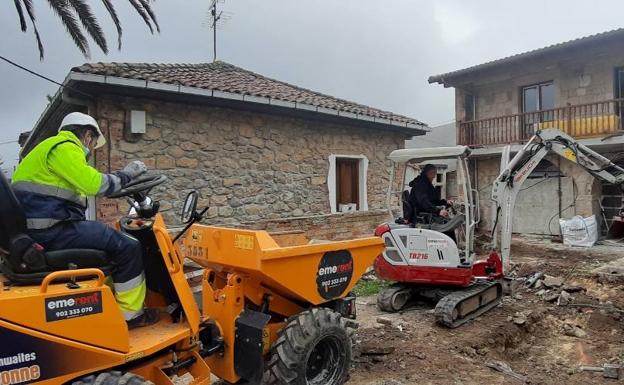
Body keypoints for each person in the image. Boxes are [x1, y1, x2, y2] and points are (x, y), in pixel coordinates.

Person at [12, 112, 159, 329]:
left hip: (39, 229)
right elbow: (94, 185)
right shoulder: (65, 146)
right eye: (92, 141)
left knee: (105, 243)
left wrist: (118, 182)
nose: (90, 147)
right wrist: (126, 175)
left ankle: (106, 302)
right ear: (87, 135)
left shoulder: (43, 152)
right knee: (128, 246)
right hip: (51, 230)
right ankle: (131, 316)